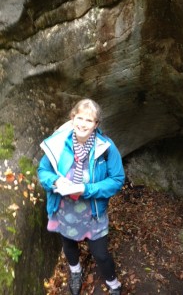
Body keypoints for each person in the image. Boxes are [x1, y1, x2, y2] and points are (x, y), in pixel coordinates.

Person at [38, 98, 125, 295]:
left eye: (89, 120)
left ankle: (114, 285)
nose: (83, 124)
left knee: (101, 254)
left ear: (96, 124)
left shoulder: (106, 148)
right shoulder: (59, 143)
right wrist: (55, 182)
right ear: (72, 118)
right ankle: (75, 272)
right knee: (68, 244)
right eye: (80, 118)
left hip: (93, 212)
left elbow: (117, 179)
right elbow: (43, 171)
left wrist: (85, 189)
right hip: (64, 209)